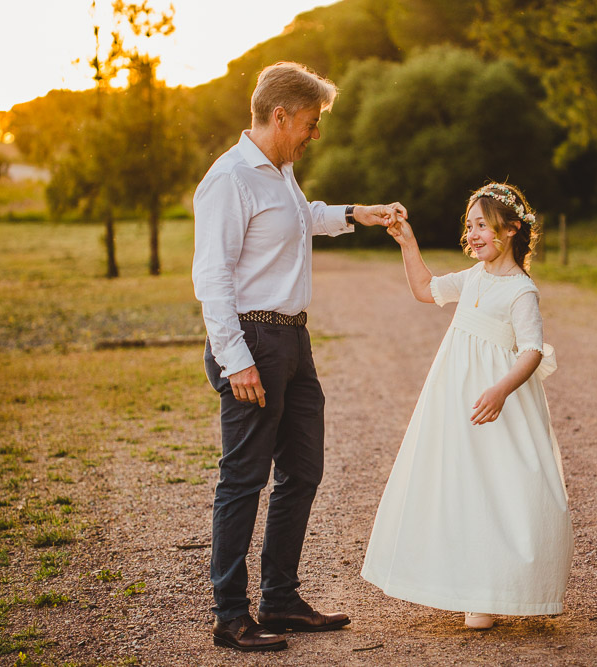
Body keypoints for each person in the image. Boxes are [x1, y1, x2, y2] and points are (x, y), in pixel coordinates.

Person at [192, 61, 406, 653]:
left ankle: (280, 598)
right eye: (310, 124)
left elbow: (297, 219)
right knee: (243, 479)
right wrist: (235, 360)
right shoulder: (229, 179)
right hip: (253, 342)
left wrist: (357, 214)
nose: (315, 135)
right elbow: (212, 278)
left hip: (293, 340)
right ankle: (230, 615)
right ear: (280, 115)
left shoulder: (278, 171)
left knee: (303, 470)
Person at [360, 182, 573, 630]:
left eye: (484, 226)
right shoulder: (472, 278)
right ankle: (471, 588)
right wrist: (408, 242)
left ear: (511, 230)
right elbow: (424, 288)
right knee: (462, 481)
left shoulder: (520, 291)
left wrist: (500, 390)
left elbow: (532, 350)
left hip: (498, 400)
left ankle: (507, 588)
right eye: (470, 225)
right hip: (455, 399)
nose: (474, 234)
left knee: (503, 484)